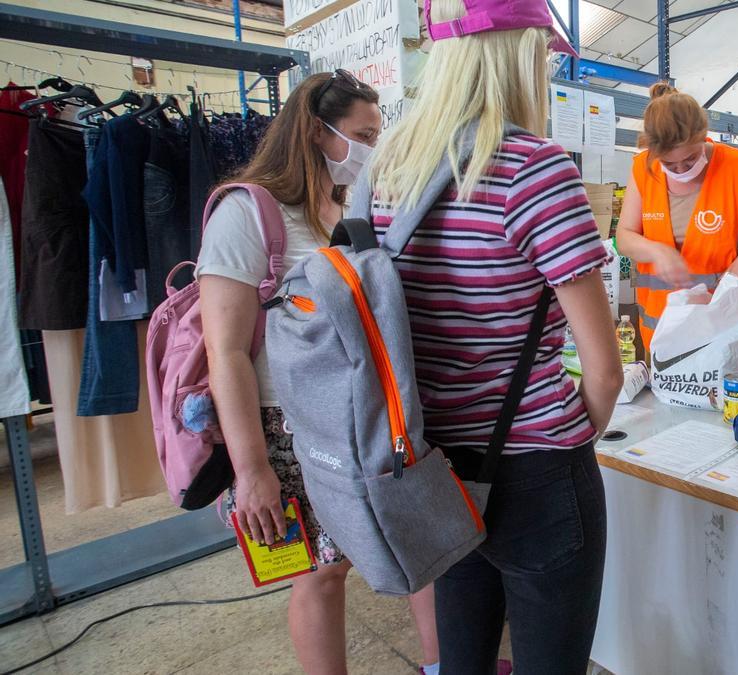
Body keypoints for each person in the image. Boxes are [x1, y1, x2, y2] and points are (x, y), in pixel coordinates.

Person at [363, 0, 624, 672]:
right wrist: (562, 438)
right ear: (518, 53)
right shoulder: (534, 169)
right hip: (536, 468)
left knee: (462, 655)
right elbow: (605, 369)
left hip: (431, 465)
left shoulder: (388, 169)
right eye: (541, 49)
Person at [195, 71, 442, 675]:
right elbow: (224, 351)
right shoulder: (245, 212)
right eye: (361, 134)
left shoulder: (354, 205)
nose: (369, 149)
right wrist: (253, 470)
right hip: (288, 427)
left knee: (419, 545)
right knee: (320, 572)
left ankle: (446, 664)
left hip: (373, 415)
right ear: (314, 130)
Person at [615, 83, 738, 350]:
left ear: (703, 135)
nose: (681, 169)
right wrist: (656, 252)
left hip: (726, 327)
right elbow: (625, 236)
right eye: (669, 164)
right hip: (664, 331)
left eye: (690, 158)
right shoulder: (643, 169)